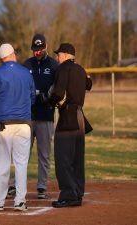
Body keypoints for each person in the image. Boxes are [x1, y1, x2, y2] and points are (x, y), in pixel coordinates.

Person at [0, 43, 36, 211]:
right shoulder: (26, 73)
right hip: (24, 124)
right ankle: (20, 201)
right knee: (21, 163)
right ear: (13, 54)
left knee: (2, 164)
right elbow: (32, 98)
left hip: (4, 124)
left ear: (1, 58)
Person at [48, 43, 92, 208]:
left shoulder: (62, 69)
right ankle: (78, 193)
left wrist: (49, 101)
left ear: (66, 55)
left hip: (67, 117)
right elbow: (89, 84)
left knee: (63, 158)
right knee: (77, 159)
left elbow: (58, 93)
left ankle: (68, 195)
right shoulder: (80, 69)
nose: (57, 57)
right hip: (79, 116)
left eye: (58, 54)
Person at [22, 33, 58, 199]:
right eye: (35, 49)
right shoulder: (27, 64)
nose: (37, 52)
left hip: (46, 115)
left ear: (45, 47)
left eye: (40, 49)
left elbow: (58, 88)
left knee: (44, 153)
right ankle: (18, 184)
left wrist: (49, 97)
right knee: (23, 153)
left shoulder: (53, 65)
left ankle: (42, 186)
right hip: (28, 115)